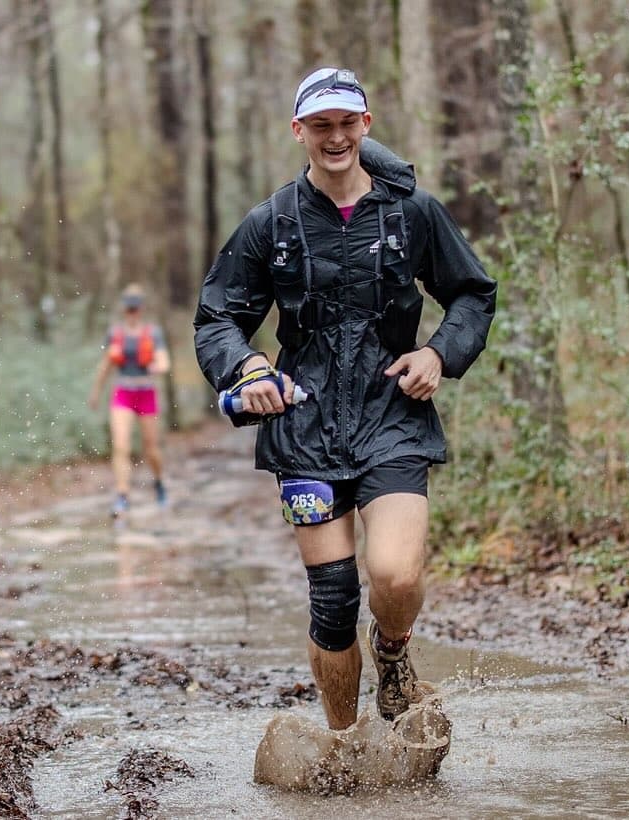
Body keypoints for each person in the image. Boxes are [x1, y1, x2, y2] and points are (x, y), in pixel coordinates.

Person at [195, 68, 497, 731]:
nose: (336, 138)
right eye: (321, 125)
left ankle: (394, 655)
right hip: (304, 426)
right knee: (333, 603)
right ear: (299, 131)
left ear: (367, 125)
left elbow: (473, 292)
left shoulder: (411, 212)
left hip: (393, 415)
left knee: (392, 575)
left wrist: (438, 353)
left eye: (347, 123)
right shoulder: (268, 224)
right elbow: (215, 318)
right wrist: (245, 366)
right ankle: (346, 743)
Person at [89, 284, 174, 519]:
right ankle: (122, 495)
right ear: (124, 310)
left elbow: (164, 360)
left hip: (146, 392)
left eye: (136, 309)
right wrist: (96, 392)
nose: (132, 312)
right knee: (120, 446)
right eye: (129, 309)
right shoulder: (115, 334)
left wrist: (158, 366)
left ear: (142, 309)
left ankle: (159, 481)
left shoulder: (153, 333)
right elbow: (105, 365)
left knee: (151, 448)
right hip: (123, 392)